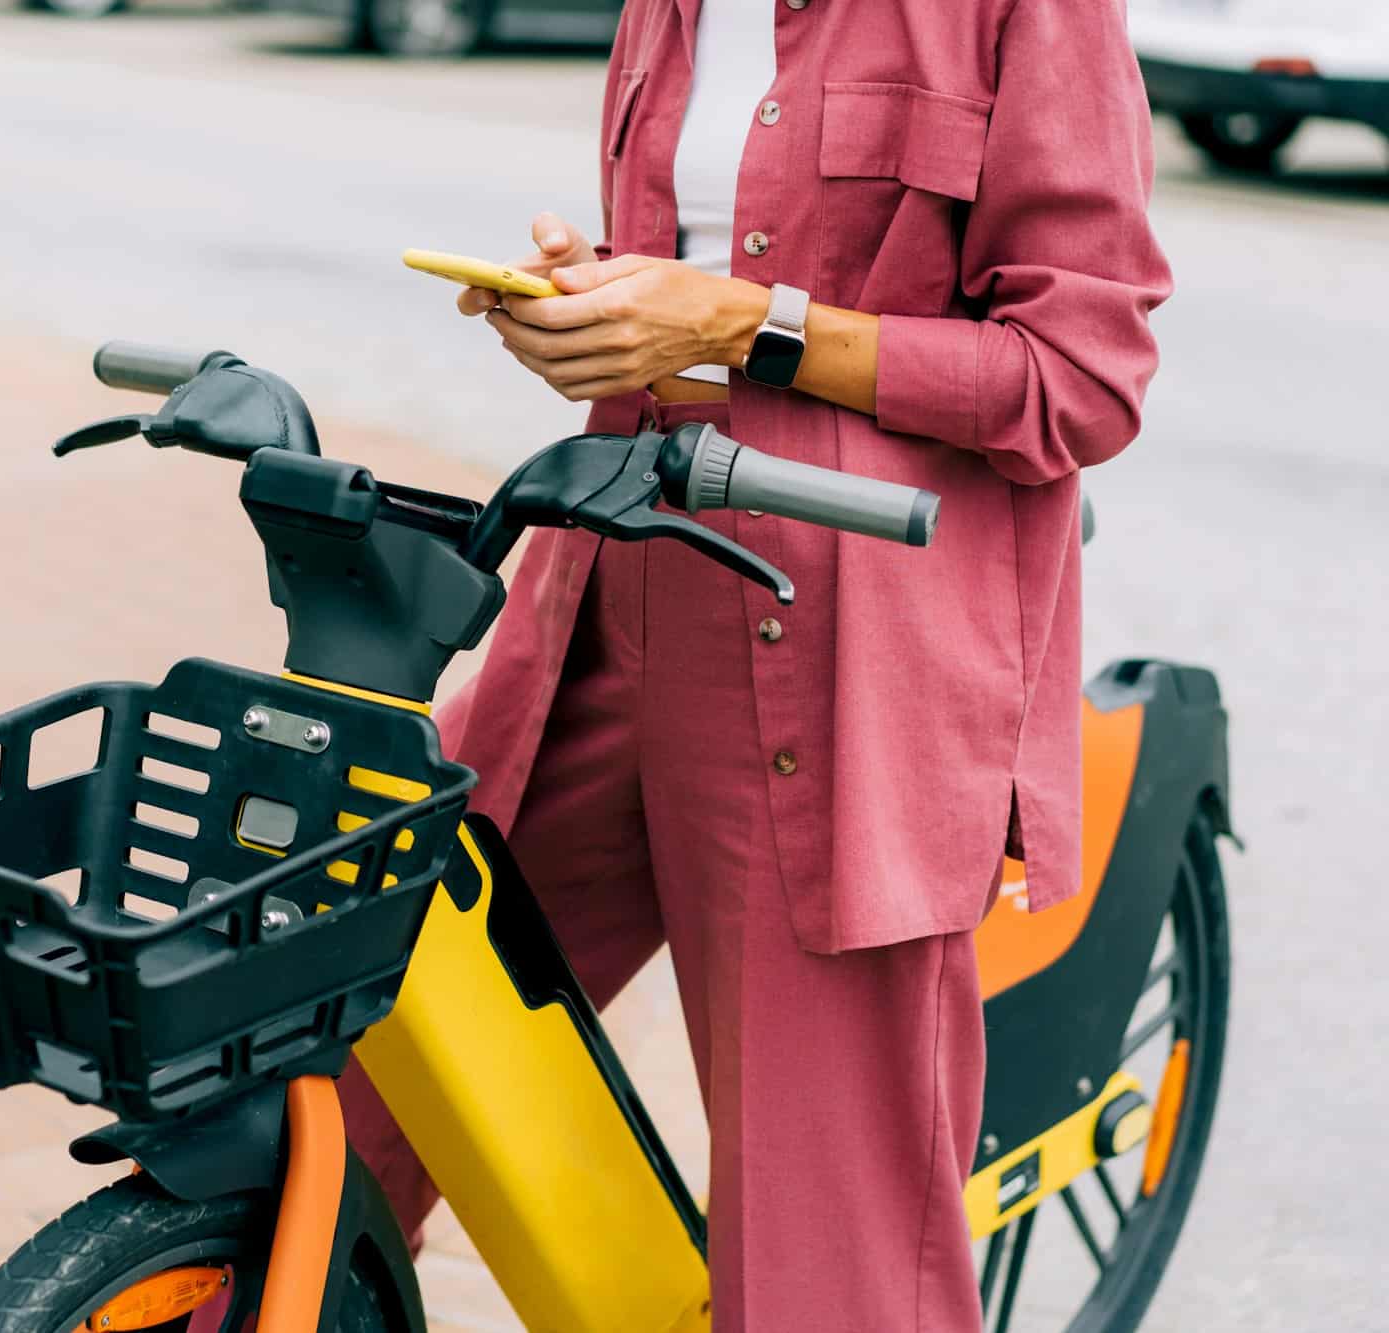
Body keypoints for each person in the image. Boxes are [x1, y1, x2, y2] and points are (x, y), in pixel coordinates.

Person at [339, 0, 1173, 1328]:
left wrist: (742, 325)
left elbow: (1081, 377)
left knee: (818, 1259)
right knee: (372, 1012)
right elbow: (703, 269)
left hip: (844, 645)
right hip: (606, 591)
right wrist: (597, 298)